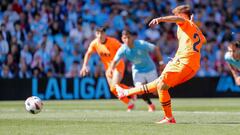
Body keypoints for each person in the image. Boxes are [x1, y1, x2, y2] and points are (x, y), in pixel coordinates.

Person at [116, 5, 206, 124]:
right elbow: (203, 40)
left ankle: (169, 118)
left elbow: (179, 20)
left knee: (161, 85)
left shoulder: (184, 23)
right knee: (160, 84)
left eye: (178, 14)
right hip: (191, 66)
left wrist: (161, 19)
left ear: (184, 16)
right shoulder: (195, 29)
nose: (176, 17)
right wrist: (192, 24)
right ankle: (127, 92)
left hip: (184, 62)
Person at [79, 27, 134, 111]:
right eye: (98, 33)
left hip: (118, 66)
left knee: (113, 87)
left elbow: (123, 50)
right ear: (95, 34)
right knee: (114, 89)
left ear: (105, 34)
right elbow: (88, 53)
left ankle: (131, 94)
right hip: (108, 68)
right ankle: (130, 100)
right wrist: (84, 66)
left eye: (102, 33)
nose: (100, 35)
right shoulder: (94, 43)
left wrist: (130, 61)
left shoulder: (113, 42)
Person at [108, 30, 164, 112]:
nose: (127, 40)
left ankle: (165, 105)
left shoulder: (141, 44)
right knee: (139, 90)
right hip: (138, 71)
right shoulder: (123, 49)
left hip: (150, 69)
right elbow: (115, 61)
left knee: (155, 91)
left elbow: (155, 48)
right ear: (122, 39)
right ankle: (150, 105)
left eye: (128, 37)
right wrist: (111, 69)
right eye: (124, 38)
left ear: (132, 38)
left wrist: (161, 63)